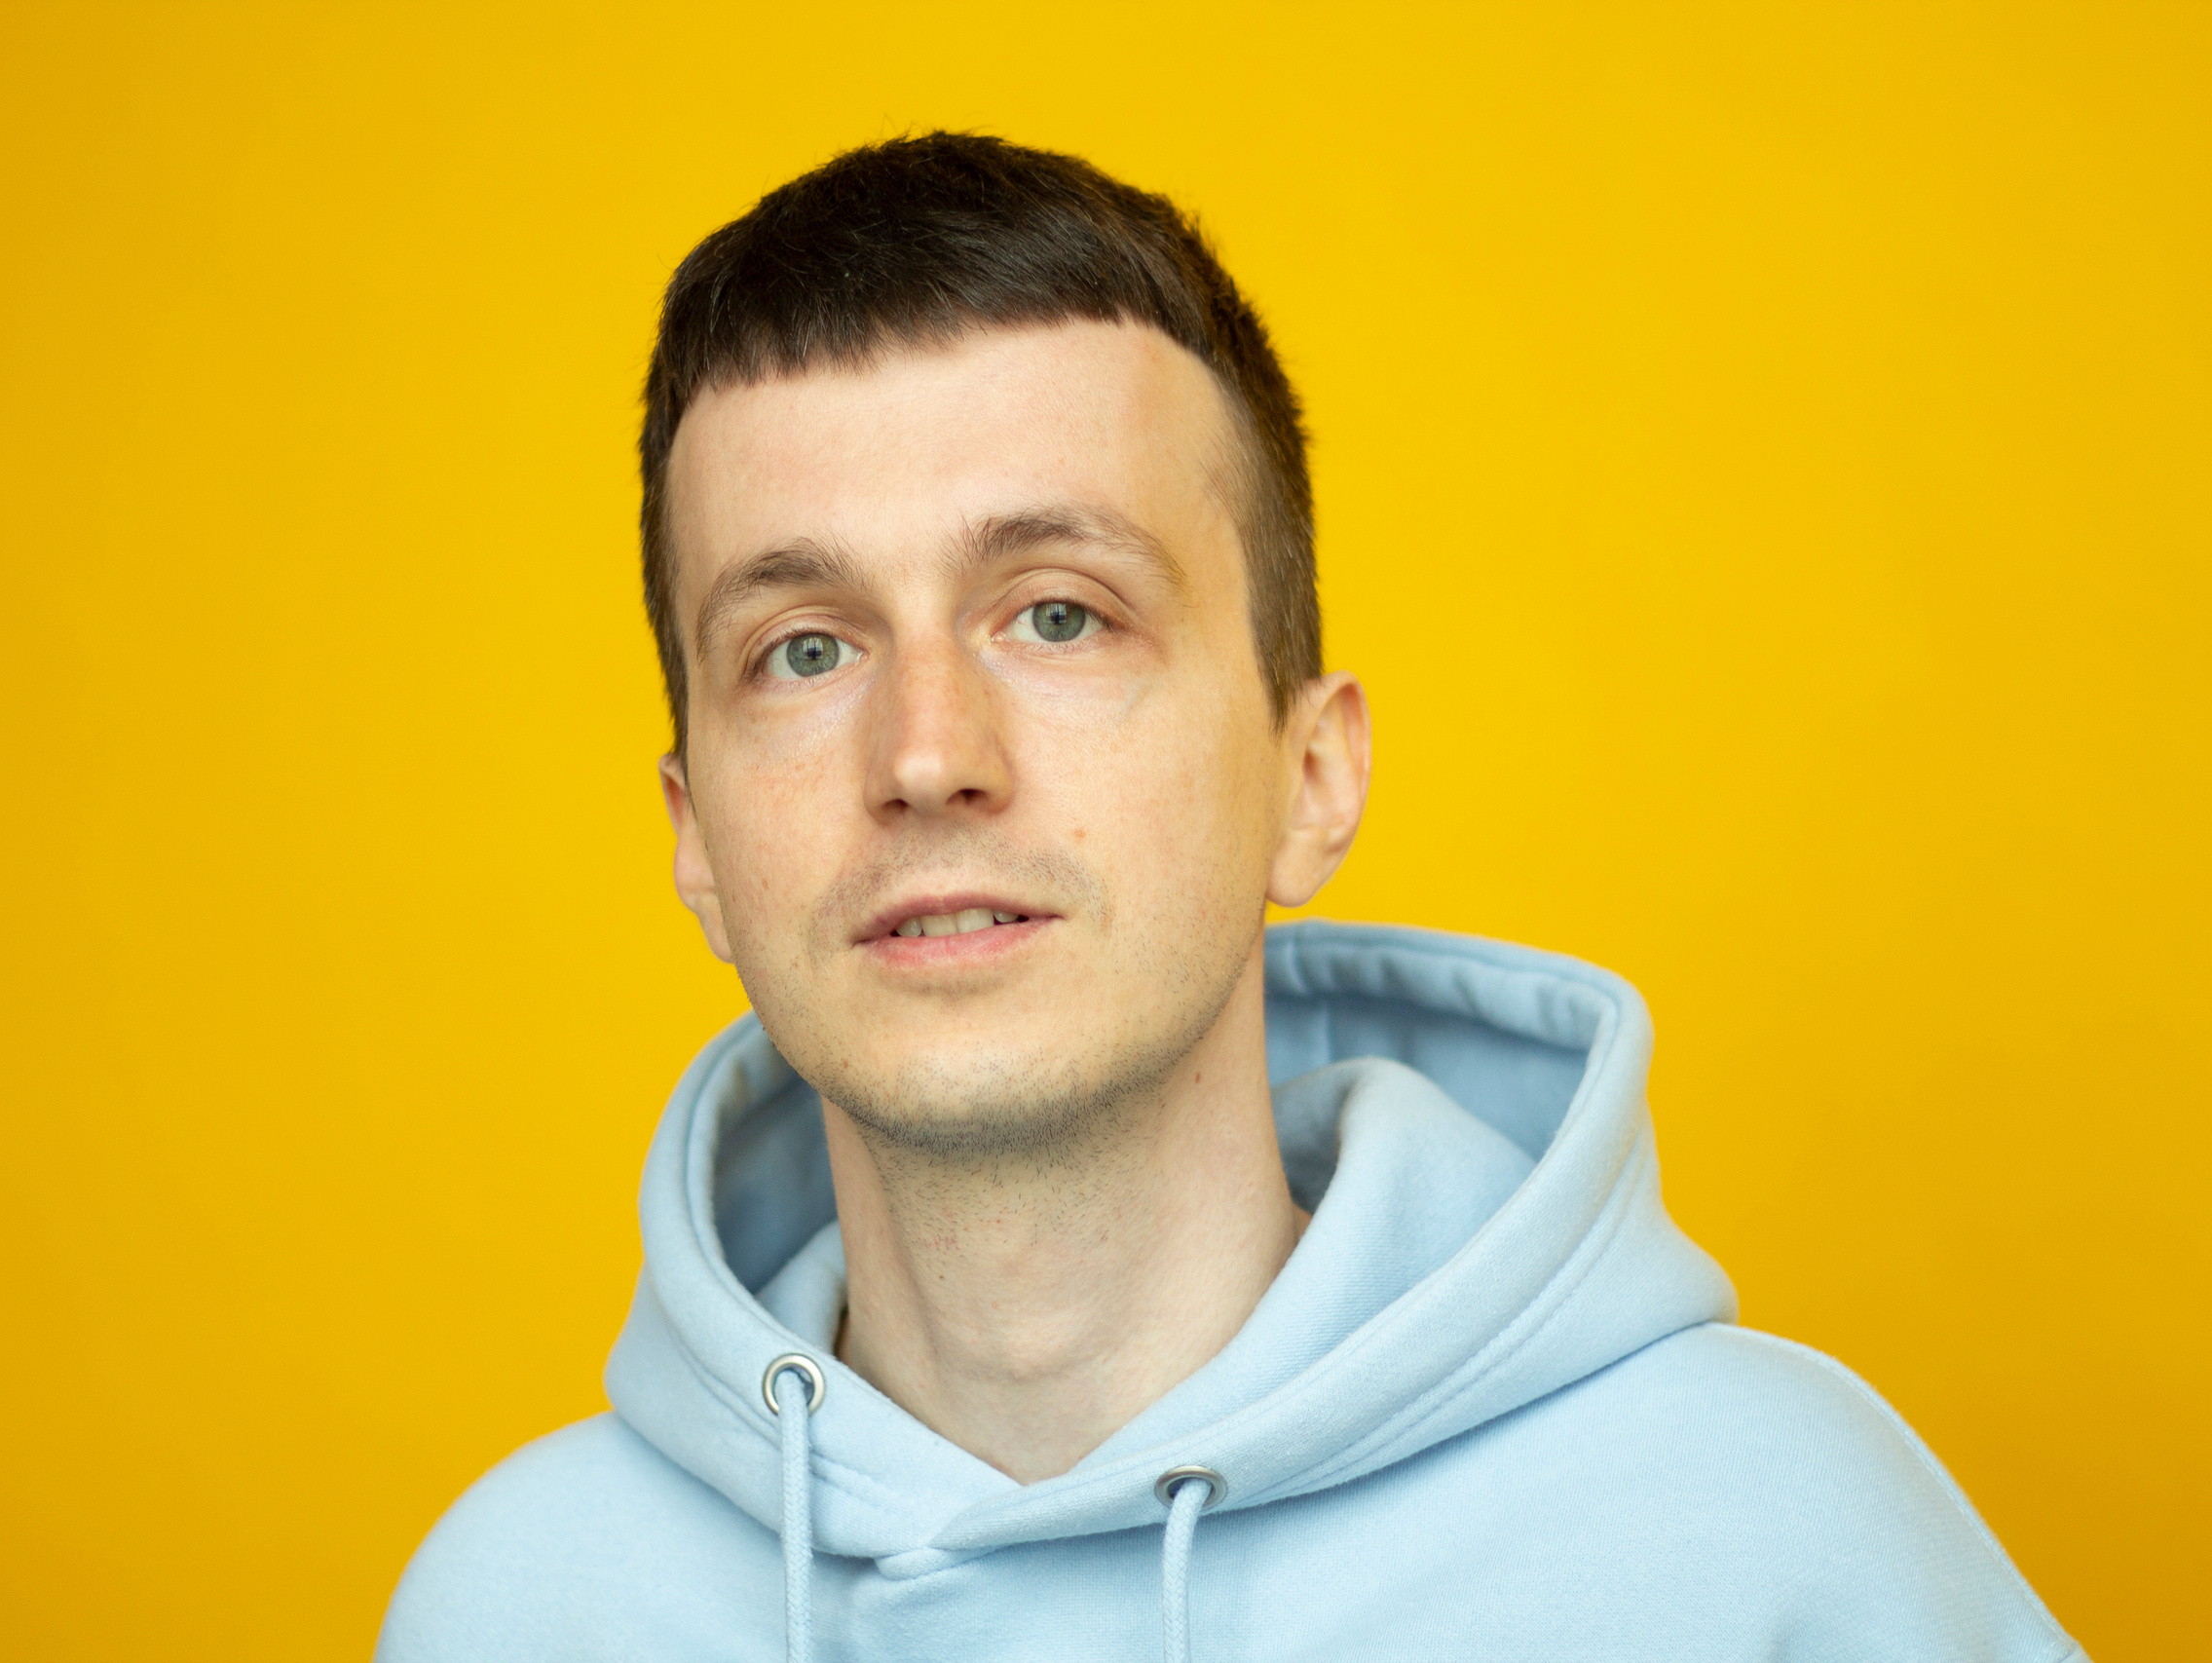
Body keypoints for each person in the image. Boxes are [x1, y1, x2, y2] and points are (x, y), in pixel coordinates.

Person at [375, 133, 2080, 1663]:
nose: (925, 755)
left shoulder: (1766, 1546)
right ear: (696, 839)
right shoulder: (519, 1610)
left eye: (1057, 614)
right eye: (802, 650)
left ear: (1312, 778)